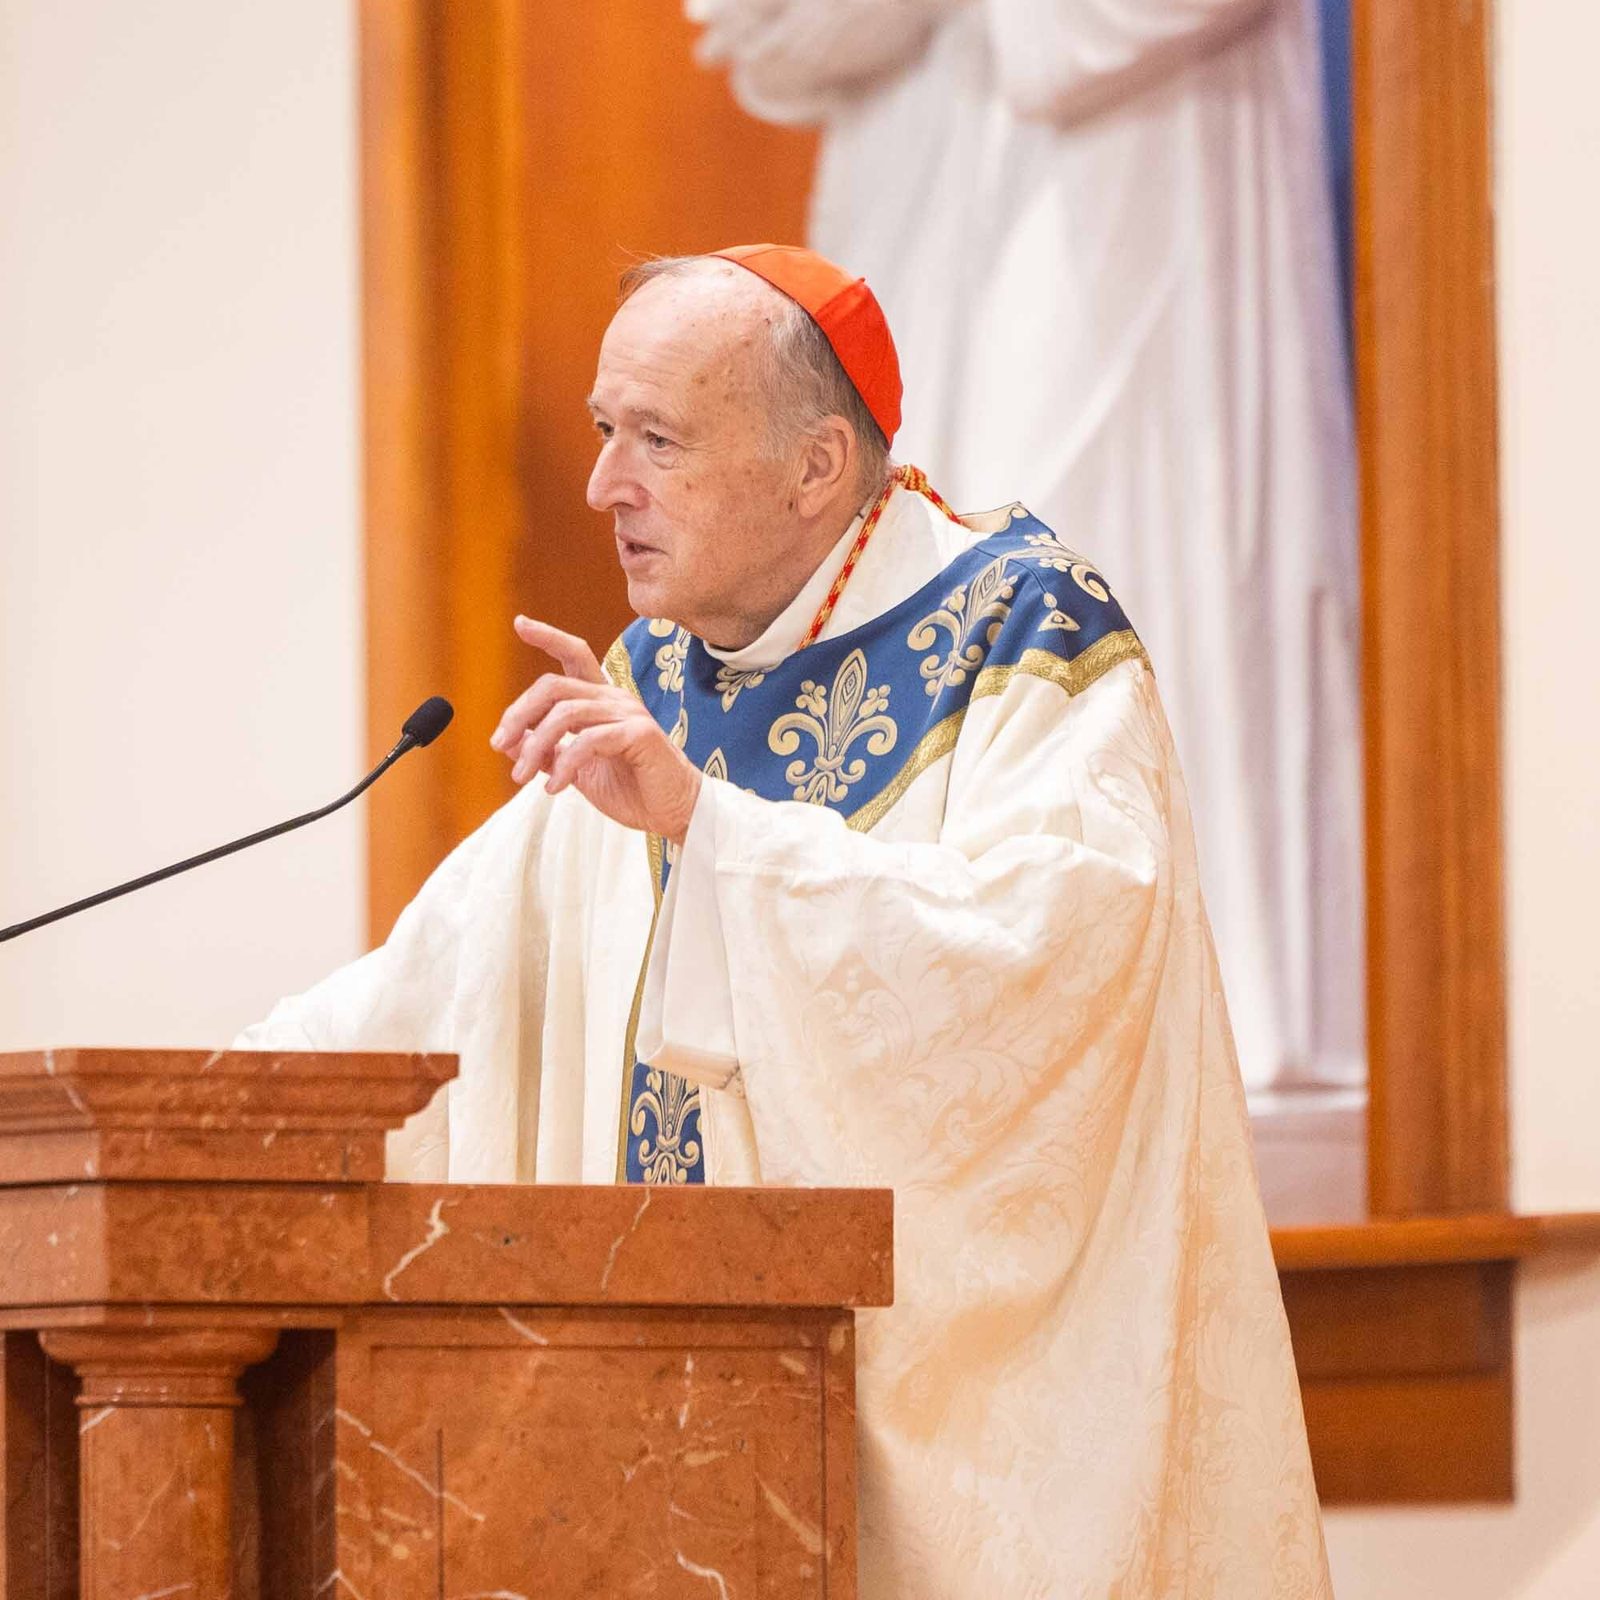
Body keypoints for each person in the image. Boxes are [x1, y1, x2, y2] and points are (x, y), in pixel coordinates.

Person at [240, 245, 1330, 1596]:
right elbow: (453, 973)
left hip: (950, 1463)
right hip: (664, 1452)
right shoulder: (659, 679)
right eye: (603, 431)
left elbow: (1055, 964)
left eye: (658, 439)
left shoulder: (1023, 632)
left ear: (817, 467)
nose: (602, 487)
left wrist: (715, 829)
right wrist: (220, 1105)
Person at [687, 0, 1366, 1101]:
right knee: (907, 526)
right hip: (919, 143)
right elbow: (770, 33)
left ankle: (1144, 976)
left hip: (1136, 155)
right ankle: (917, 972)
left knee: (1091, 528)